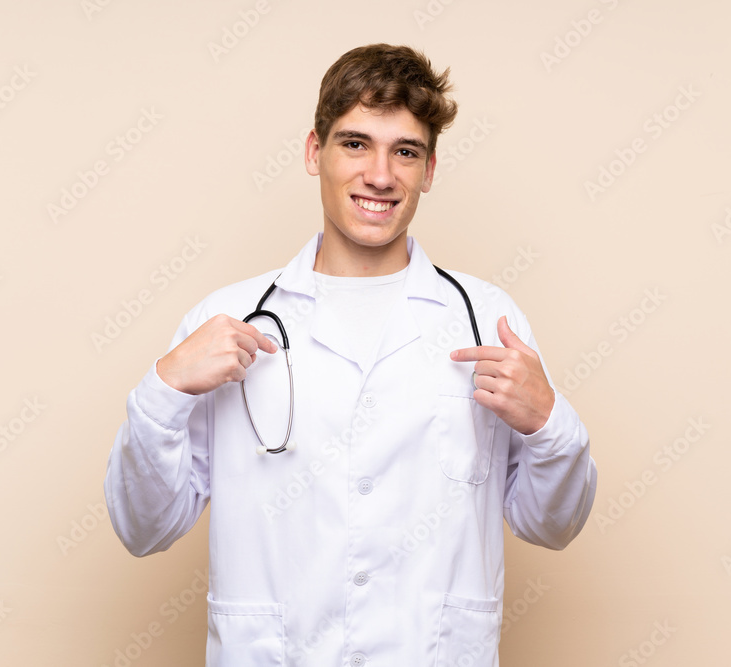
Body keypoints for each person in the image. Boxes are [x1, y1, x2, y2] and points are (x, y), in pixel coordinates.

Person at [104, 43, 597, 666]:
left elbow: (551, 526)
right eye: (356, 144)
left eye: (406, 152)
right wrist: (163, 389)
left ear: (429, 169)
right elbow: (143, 528)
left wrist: (551, 423)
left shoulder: (487, 319)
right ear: (316, 152)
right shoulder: (226, 318)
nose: (381, 176)